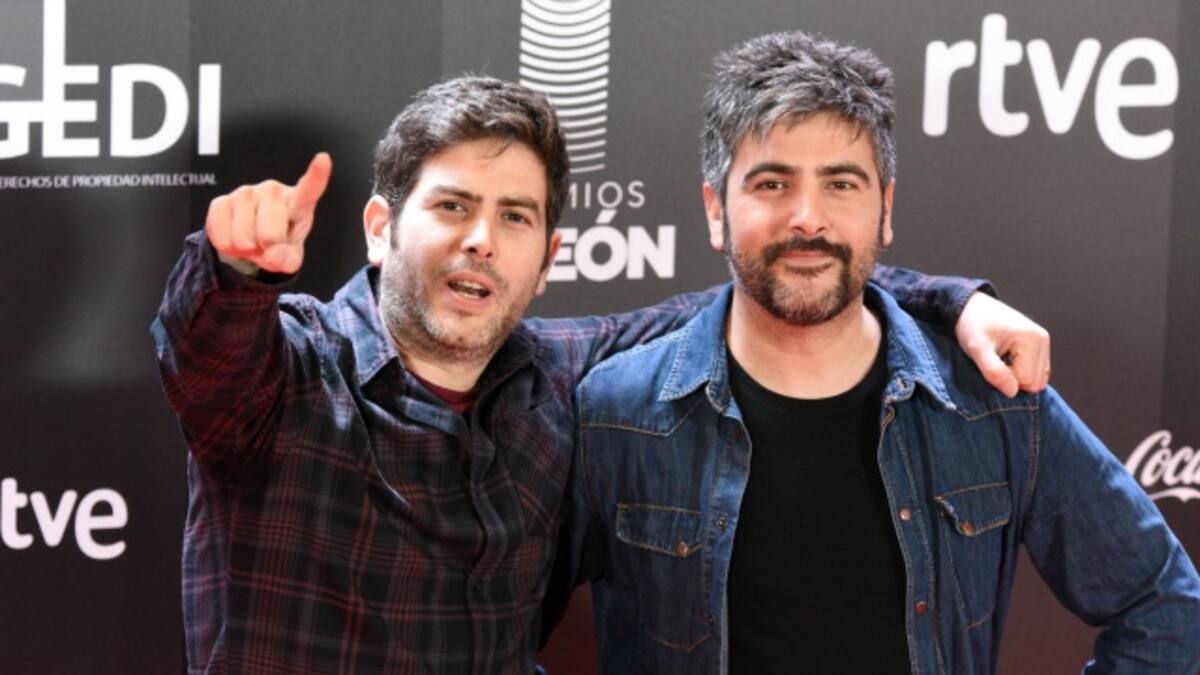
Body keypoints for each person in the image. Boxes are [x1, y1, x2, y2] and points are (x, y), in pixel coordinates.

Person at [153, 76, 1050, 674]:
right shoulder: (285, 372)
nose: (481, 239)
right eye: (454, 206)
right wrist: (235, 270)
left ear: (547, 261)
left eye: (515, 217)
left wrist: (951, 301)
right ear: (382, 228)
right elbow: (205, 350)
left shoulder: (561, 373)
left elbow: (775, 281)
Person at [555, 31, 1200, 675]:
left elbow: (1166, 607)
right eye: (773, 183)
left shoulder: (993, 402)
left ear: (885, 208)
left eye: (841, 183)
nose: (807, 218)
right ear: (716, 209)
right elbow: (499, 629)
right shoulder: (615, 414)